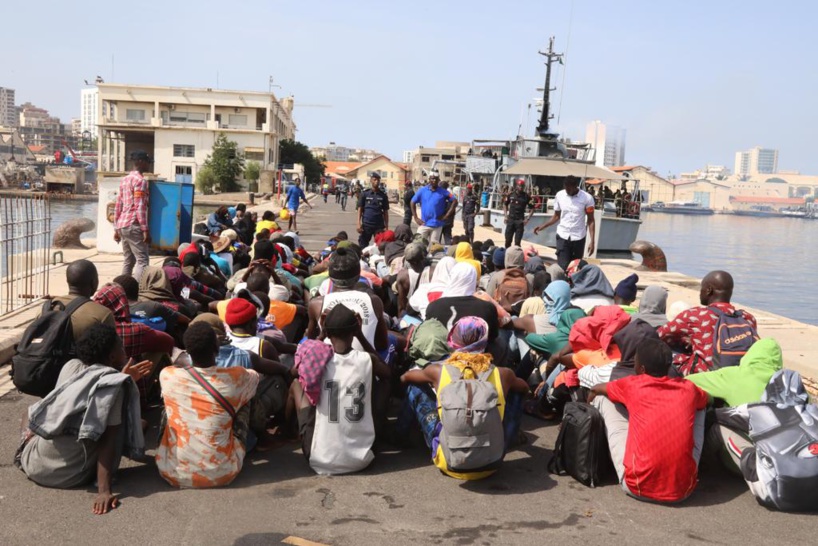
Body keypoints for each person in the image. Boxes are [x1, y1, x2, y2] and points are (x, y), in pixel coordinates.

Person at [16, 324, 149, 515]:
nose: (124, 350)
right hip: (70, 476)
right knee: (131, 425)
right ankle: (101, 477)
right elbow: (107, 441)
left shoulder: (70, 366)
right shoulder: (113, 386)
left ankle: (24, 445)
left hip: (34, 464)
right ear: (111, 356)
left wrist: (121, 377)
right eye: (120, 347)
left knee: (29, 413)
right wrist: (104, 491)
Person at [400, 317, 530, 480]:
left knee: (414, 387)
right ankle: (510, 436)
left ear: (454, 340)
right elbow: (525, 388)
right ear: (485, 340)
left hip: (448, 463)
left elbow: (406, 377)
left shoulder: (439, 371)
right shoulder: (503, 374)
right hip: (493, 462)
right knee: (517, 391)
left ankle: (400, 435)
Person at [589, 339, 708, 503]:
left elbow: (597, 388)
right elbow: (705, 401)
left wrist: (590, 397)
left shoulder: (633, 384)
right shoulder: (689, 388)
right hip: (683, 490)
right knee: (700, 407)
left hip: (637, 487)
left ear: (642, 369)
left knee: (603, 399)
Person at [156, 322, 260, 488]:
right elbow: (254, 377)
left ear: (187, 351)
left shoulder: (167, 375)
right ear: (217, 348)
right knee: (244, 398)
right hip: (222, 472)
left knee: (168, 406)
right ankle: (259, 440)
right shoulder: (236, 377)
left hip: (172, 471)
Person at [291, 304, 391, 475]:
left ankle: (290, 431)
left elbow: (293, 372)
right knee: (384, 382)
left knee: (296, 384)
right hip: (363, 458)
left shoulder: (317, 360)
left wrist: (321, 334)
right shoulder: (367, 359)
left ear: (328, 334)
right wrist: (360, 335)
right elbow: (388, 373)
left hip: (319, 459)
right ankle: (376, 426)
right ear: (354, 331)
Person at [658, 270, 758, 376]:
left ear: (709, 290)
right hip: (740, 375)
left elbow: (660, 335)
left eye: (702, 288)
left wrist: (685, 341)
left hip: (706, 378)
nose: (700, 292)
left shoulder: (695, 315)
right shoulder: (747, 318)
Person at [307, 247, 389, 352]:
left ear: (330, 276)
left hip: (328, 363)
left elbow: (311, 340)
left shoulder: (316, 304)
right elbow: (382, 344)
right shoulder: (374, 301)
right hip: (366, 362)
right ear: (358, 275)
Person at [533, 176, 596, 271]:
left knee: (575, 269)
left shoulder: (587, 198)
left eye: (569, 189)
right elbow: (556, 216)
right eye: (566, 188)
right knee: (562, 267)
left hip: (578, 237)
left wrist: (592, 241)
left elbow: (591, 220)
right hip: (563, 236)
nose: (567, 191)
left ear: (575, 187)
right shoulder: (559, 195)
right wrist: (542, 226)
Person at [49, 259, 115, 341]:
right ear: (94, 282)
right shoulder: (102, 314)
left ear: (68, 281)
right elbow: (113, 350)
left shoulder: (47, 308)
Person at [113, 150, 151, 280]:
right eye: (147, 162)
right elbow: (139, 207)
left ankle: (123, 288)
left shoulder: (124, 180)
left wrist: (116, 228)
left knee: (129, 260)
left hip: (123, 225)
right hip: (134, 225)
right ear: (140, 162)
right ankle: (138, 290)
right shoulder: (140, 181)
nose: (149, 165)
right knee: (143, 260)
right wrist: (145, 230)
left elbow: (118, 205)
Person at [411, 174, 456, 244]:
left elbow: (454, 201)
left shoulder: (443, 192)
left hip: (437, 225)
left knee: (434, 249)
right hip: (424, 224)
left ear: (438, 180)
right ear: (429, 179)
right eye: (432, 179)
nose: (434, 180)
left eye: (436, 179)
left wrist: (446, 216)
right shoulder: (422, 190)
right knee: (417, 245)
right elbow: (412, 202)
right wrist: (416, 217)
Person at [395, 243, 431, 317]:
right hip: (429, 315)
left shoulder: (402, 276)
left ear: (407, 260)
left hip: (412, 318)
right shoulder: (432, 272)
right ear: (423, 256)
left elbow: (402, 306)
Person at [357, 172, 390, 248]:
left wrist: (386, 226)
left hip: (379, 226)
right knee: (362, 246)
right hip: (366, 225)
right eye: (374, 180)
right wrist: (358, 223)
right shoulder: (365, 194)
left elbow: (385, 212)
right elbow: (360, 209)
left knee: (380, 246)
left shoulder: (383, 195)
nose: (376, 181)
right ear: (371, 181)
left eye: (378, 180)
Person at [502, 179, 534, 248]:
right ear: (517, 186)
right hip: (510, 220)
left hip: (519, 221)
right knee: (507, 240)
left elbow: (532, 208)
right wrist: (505, 216)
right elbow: (505, 204)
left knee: (517, 243)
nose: (521, 187)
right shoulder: (510, 195)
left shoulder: (526, 197)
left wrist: (527, 219)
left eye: (522, 186)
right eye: (520, 186)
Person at [439, 181, 459, 246]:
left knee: (436, 241)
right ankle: (449, 253)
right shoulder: (451, 196)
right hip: (448, 221)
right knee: (448, 239)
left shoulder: (439, 196)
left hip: (440, 221)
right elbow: (453, 212)